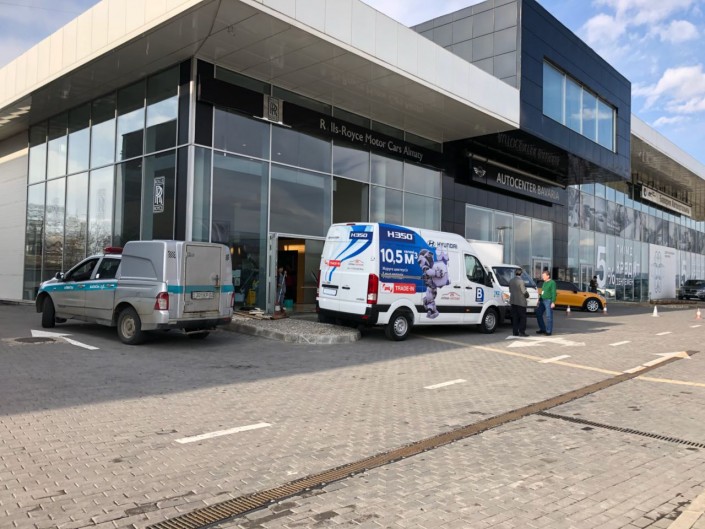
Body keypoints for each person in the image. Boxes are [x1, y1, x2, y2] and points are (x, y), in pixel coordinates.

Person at [508, 267, 529, 337]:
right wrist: (527, 295)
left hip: (513, 301)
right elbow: (524, 291)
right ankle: (522, 332)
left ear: (515, 273)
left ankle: (515, 332)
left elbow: (510, 290)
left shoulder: (511, 280)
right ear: (521, 274)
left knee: (515, 317)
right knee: (523, 317)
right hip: (521, 302)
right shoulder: (521, 281)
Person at [536, 269, 556, 336]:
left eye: (544, 276)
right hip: (542, 300)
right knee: (538, 313)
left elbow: (553, 292)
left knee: (548, 316)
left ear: (548, 276)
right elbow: (542, 292)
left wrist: (553, 302)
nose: (542, 277)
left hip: (548, 301)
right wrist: (539, 299)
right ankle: (542, 329)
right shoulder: (544, 283)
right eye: (542, 276)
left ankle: (548, 331)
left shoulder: (552, 283)